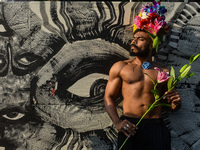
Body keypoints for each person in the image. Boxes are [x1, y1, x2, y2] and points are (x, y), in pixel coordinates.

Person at [104, 1, 181, 150]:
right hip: (130, 127)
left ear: (151, 44)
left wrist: (176, 103)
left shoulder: (164, 72)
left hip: (156, 127)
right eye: (134, 38)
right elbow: (108, 97)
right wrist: (117, 122)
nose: (134, 41)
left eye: (140, 39)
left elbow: (172, 105)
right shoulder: (121, 67)